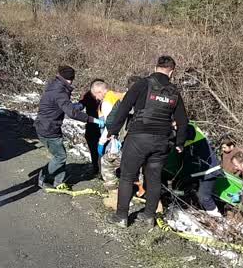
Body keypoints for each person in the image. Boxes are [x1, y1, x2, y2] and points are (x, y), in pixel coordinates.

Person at [106, 56, 189, 228]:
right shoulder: (174, 92)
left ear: (156, 67)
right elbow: (183, 120)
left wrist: (113, 130)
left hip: (139, 138)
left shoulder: (143, 84)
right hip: (162, 142)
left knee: (128, 176)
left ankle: (121, 216)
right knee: (154, 178)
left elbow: (124, 106)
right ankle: (148, 216)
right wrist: (180, 142)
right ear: (172, 71)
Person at [35, 65, 105, 191]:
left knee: (60, 154)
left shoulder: (55, 85)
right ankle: (43, 176)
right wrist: (93, 119)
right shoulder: (60, 91)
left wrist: (77, 106)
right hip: (48, 128)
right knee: (60, 156)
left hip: (47, 125)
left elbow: (63, 106)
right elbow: (71, 113)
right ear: (70, 79)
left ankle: (58, 182)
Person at [175, 122, 224, 217]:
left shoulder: (189, 127)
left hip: (209, 169)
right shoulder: (183, 129)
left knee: (204, 197)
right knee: (183, 188)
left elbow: (186, 134)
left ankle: (218, 218)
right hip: (198, 170)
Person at [78, 79, 106, 175]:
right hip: (92, 125)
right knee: (94, 149)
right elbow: (81, 103)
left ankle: (101, 169)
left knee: (101, 149)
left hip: (102, 126)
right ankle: (96, 168)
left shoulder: (105, 96)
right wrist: (78, 106)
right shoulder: (88, 96)